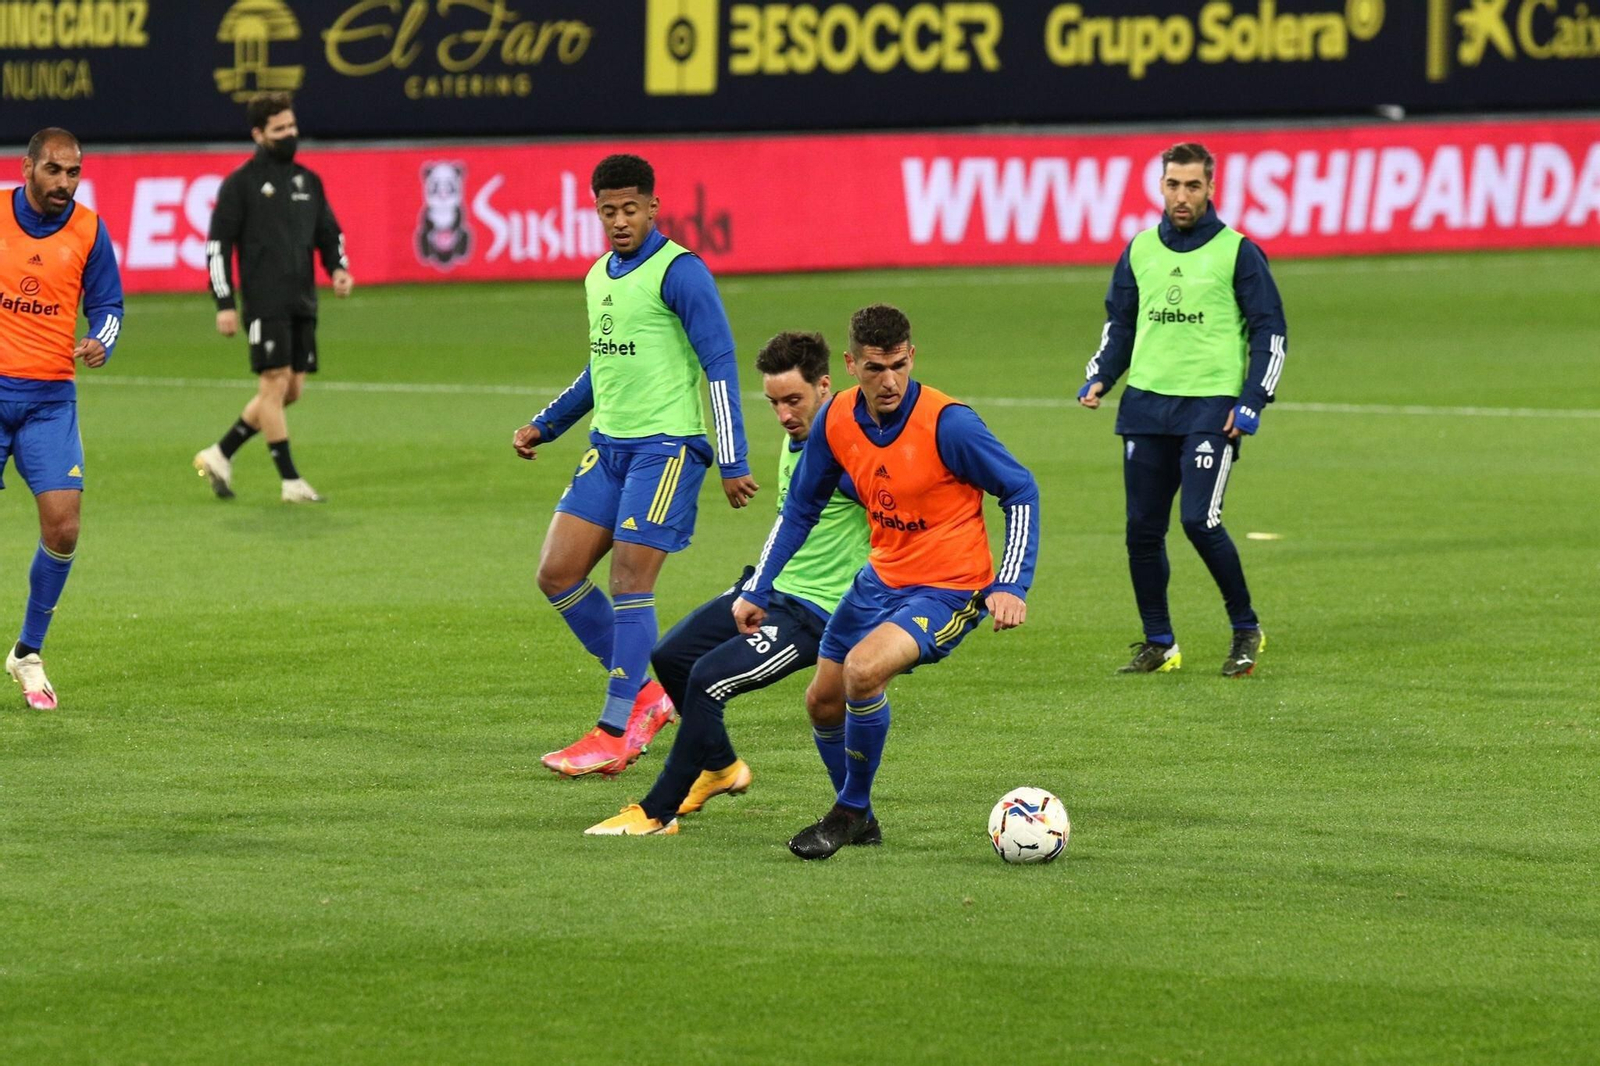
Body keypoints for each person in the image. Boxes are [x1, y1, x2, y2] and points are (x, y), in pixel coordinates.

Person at [733, 304, 1040, 859]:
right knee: (822, 703)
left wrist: (1011, 583)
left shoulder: (951, 424)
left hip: (950, 588)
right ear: (851, 364)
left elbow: (1020, 490)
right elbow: (799, 507)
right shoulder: (837, 419)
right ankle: (864, 819)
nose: (890, 380)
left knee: (863, 671)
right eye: (875, 368)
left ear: (912, 356)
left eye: (898, 364)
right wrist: (759, 586)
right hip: (880, 579)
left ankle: (848, 811)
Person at [516, 153, 757, 778]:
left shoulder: (682, 273)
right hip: (608, 448)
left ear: (653, 207)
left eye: (630, 209)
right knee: (557, 572)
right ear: (595, 211)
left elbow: (720, 363)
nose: (620, 221)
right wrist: (547, 424)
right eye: (608, 211)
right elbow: (603, 365)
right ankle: (649, 697)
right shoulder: (598, 275)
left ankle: (616, 727)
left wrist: (731, 458)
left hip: (668, 448)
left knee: (630, 579)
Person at [587, 331, 870, 835]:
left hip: (814, 613)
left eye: (794, 401)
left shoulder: (848, 452)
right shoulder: (802, 438)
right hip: (771, 589)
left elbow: (893, 511)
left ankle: (656, 812)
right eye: (774, 403)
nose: (784, 414)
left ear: (825, 386)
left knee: (708, 680)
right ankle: (719, 767)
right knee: (672, 656)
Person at [1077, 141, 1286, 678]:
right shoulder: (1141, 249)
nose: (1182, 196)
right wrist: (1102, 375)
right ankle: (1159, 642)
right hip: (1147, 404)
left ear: (1211, 188)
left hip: (1210, 407)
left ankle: (1245, 628)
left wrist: (1251, 401)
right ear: (1161, 186)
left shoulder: (1238, 251)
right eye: (1173, 184)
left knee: (1199, 520)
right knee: (1141, 530)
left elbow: (1270, 331)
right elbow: (1120, 322)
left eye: (1193, 185)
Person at [2, 128, 124, 709]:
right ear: (27, 167)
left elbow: (108, 306)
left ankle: (28, 652)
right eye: (54, 170)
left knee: (64, 527)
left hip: (51, 400)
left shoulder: (90, 230)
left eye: (74, 173)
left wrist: (101, 341)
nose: (64, 184)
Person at [194, 91, 352, 504]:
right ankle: (290, 480)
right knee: (272, 384)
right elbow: (217, 248)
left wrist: (337, 267)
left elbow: (329, 232)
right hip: (265, 302)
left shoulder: (307, 181)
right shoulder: (240, 184)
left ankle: (220, 453)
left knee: (290, 390)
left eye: (292, 126)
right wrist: (225, 302)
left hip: (303, 300)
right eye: (280, 129)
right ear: (259, 134)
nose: (290, 134)